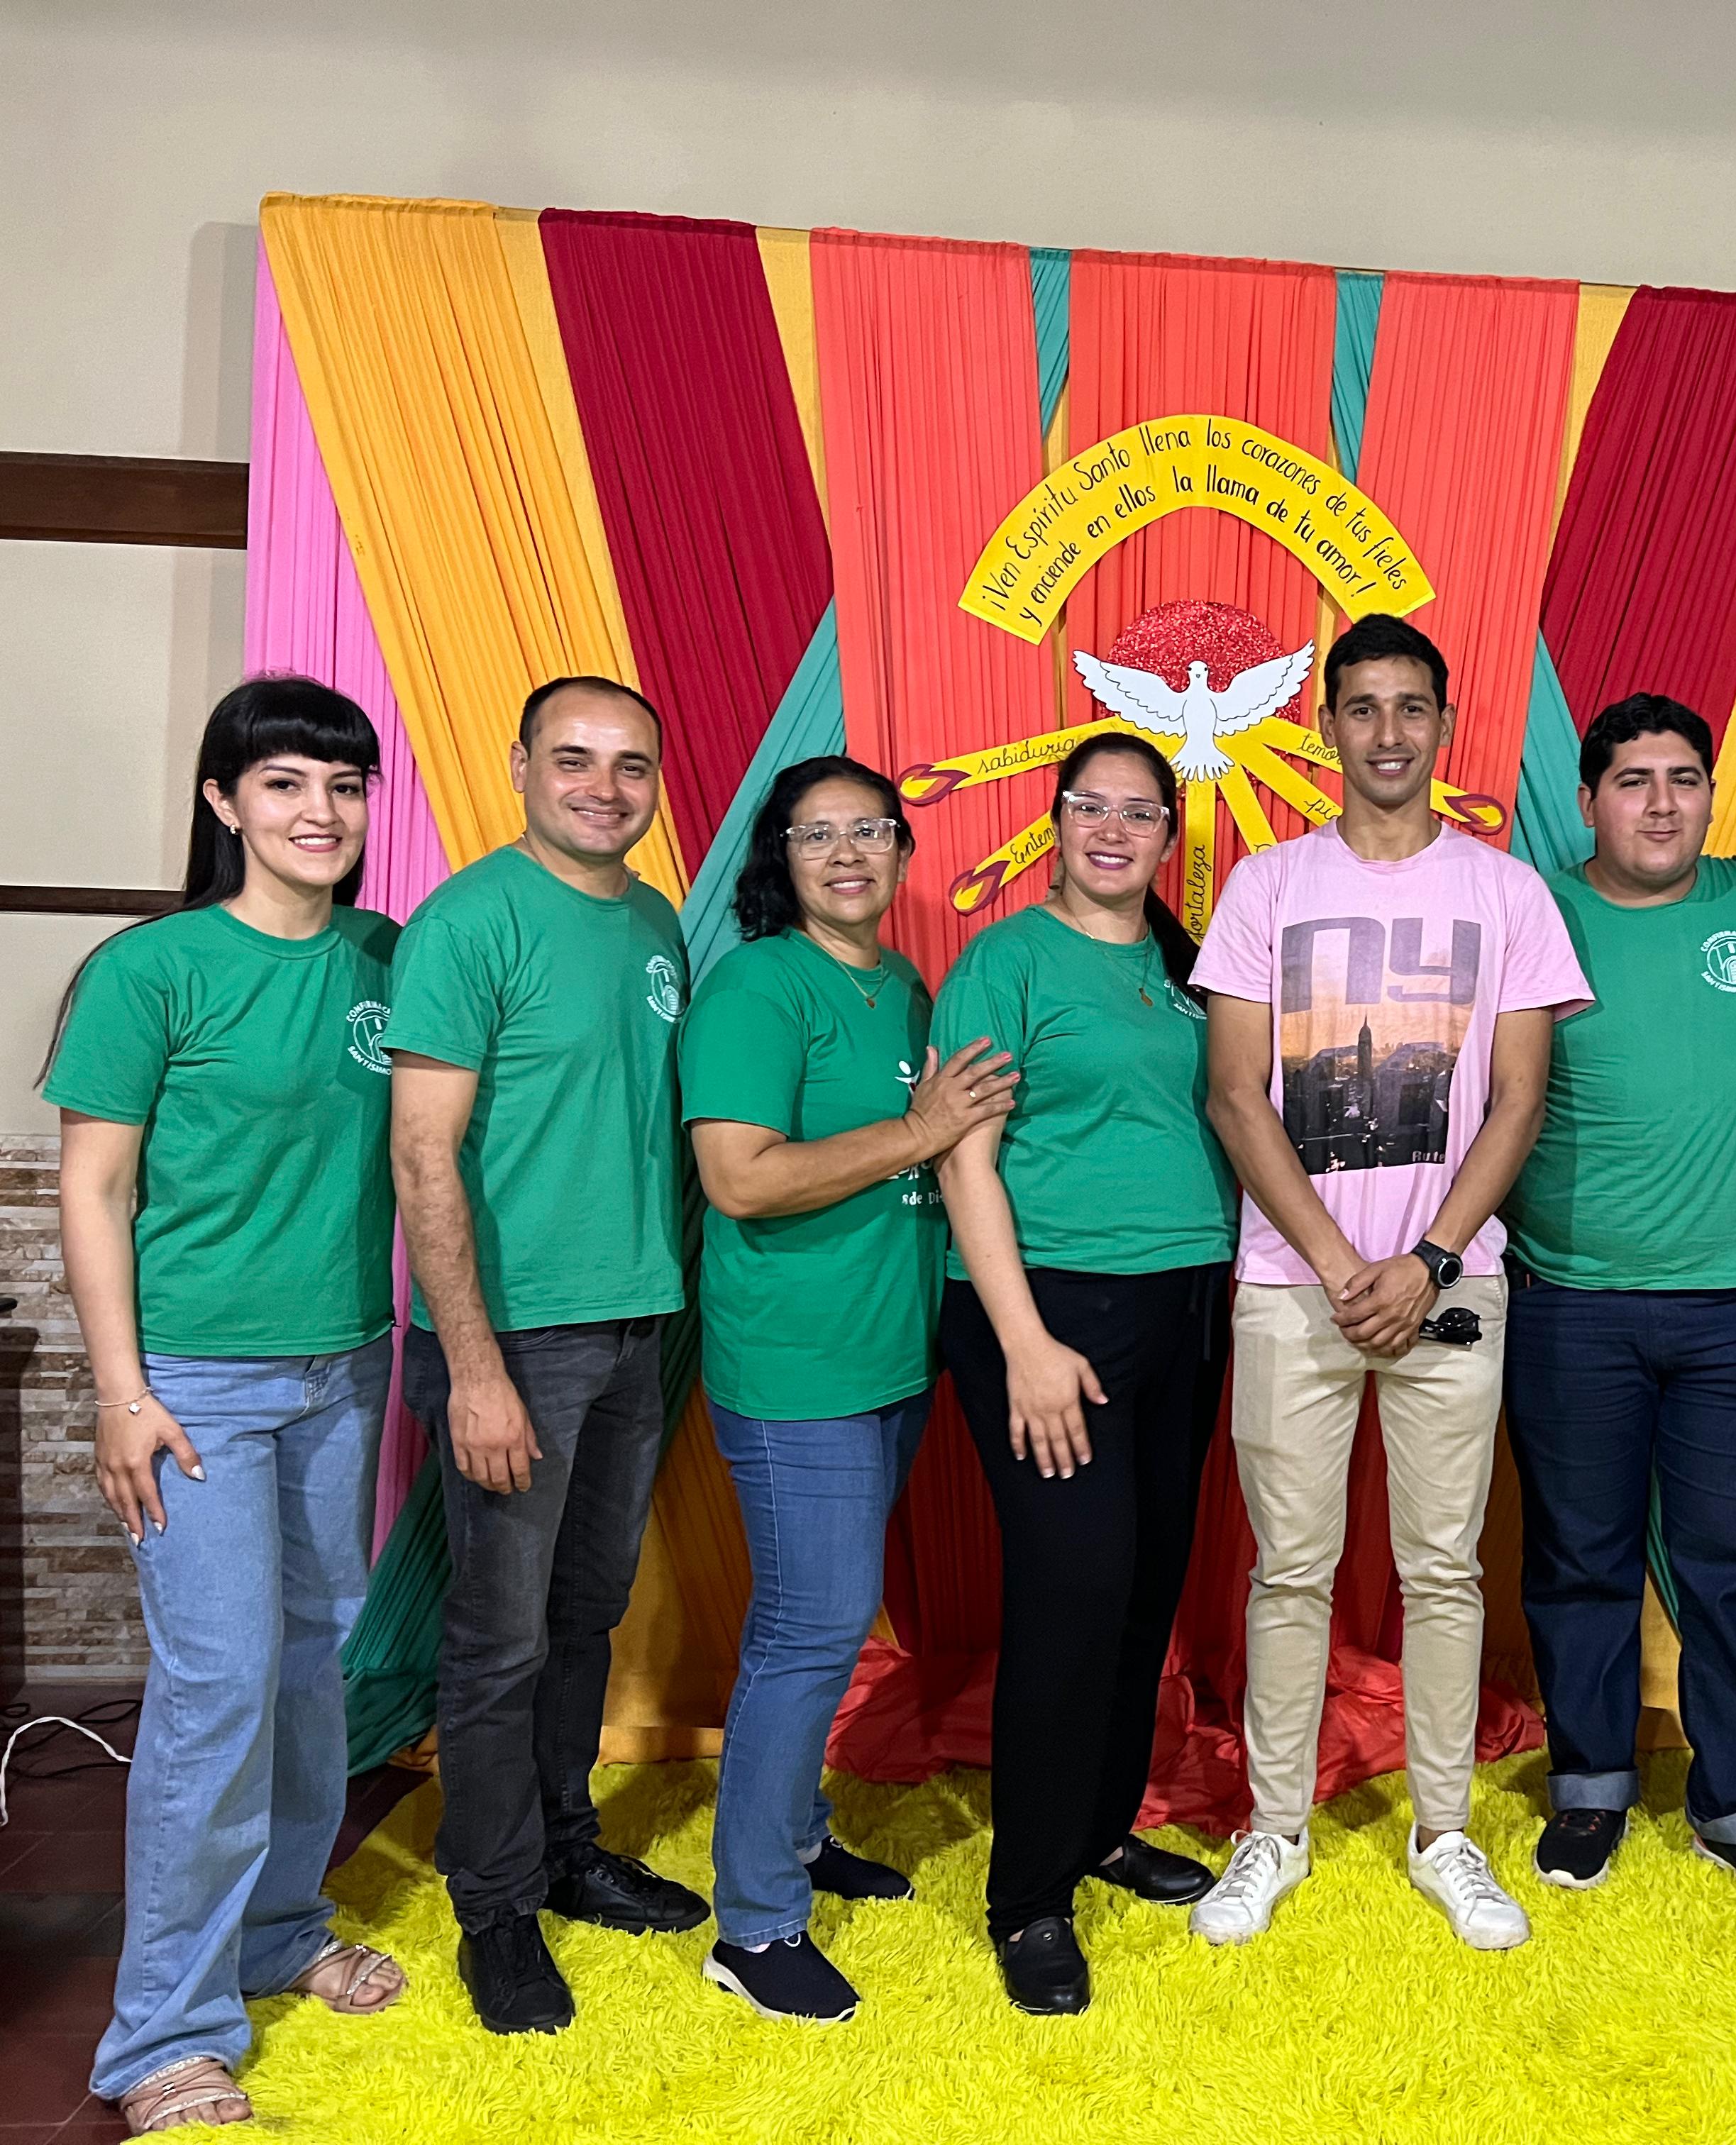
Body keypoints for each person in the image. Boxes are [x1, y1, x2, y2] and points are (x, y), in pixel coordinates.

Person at [1187, 613, 1590, 1951]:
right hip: (1291, 1282)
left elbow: (1520, 1101)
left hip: (1451, 1284)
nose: (1388, 733)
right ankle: (1274, 1828)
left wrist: (1424, 1261)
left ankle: (1445, 1833)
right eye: (1361, 708)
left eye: (1411, 707)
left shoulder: (1506, 895)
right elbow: (1234, 1092)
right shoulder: (1266, 887)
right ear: (1326, 728)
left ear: (1446, 724)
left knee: (1444, 1571)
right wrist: (1338, 1264)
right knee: (1291, 1570)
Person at [50, 678, 408, 2134]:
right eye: (284, 784)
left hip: (347, 1366)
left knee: (312, 1672)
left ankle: (278, 1932)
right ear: (224, 802)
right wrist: (120, 1392)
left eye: (344, 784)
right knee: (218, 1692)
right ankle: (164, 2036)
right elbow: (95, 1188)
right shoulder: (152, 970)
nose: (320, 811)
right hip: (195, 1384)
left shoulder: (389, 957)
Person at [384, 676, 705, 2035]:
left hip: (637, 1324)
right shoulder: (470, 921)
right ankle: (496, 1909)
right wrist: (474, 1369)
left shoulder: (655, 920)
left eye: (631, 765)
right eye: (573, 759)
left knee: (586, 1614)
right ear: (518, 763)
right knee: (498, 1639)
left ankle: (567, 1847)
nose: (603, 787)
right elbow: (422, 1153)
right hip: (513, 1341)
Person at [681, 756, 1016, 2024]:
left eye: (869, 830)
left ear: (902, 851)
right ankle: (755, 1924)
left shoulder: (906, 989)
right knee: (810, 1630)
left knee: (828, 1619)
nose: (846, 854)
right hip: (795, 1370)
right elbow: (742, 1178)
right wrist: (921, 1133)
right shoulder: (759, 987)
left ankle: (797, 1834)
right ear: (781, 856)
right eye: (816, 835)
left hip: (888, 1362)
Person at [1498, 692, 1736, 1915]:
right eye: (1633, 781)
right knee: (1578, 1560)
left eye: (1683, 779)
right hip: (1571, 1305)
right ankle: (1589, 1789)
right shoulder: (1529, 911)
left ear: (1709, 795)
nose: (1660, 803)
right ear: (1587, 800)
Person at [933, 733, 1239, 2016]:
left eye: (1140, 812)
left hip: (1187, 1306)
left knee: (1145, 1583)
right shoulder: (1003, 962)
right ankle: (1028, 1897)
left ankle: (1100, 1830)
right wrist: (1024, 1342)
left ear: (1171, 833)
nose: (1113, 831)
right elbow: (963, 1157)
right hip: (1055, 1312)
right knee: (1074, 1591)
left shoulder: (1186, 968)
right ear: (1055, 824)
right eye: (1089, 809)